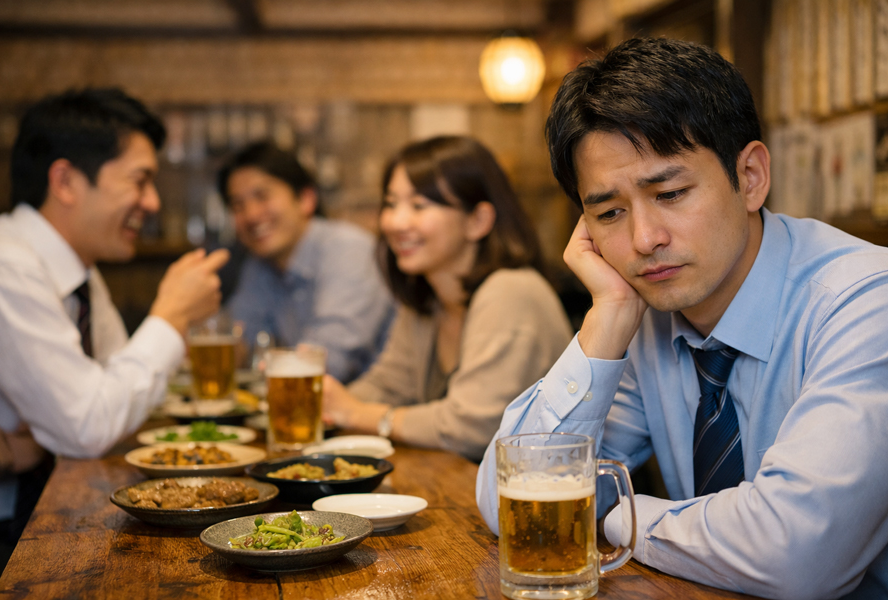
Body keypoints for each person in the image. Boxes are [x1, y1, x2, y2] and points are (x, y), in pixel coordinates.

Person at [476, 37, 888, 599]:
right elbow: (509, 503)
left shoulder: (864, 302)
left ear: (750, 176)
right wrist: (608, 317)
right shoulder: (646, 317)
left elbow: (798, 554)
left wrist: (620, 516)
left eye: (669, 193)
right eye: (609, 212)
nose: (644, 240)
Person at [0, 88, 228, 586]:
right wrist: (171, 314)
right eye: (140, 180)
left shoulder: (78, 271)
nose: (153, 202)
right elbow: (89, 425)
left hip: (51, 504)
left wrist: (48, 433)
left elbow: (116, 401)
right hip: (2, 532)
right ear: (65, 181)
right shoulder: (4, 265)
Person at [322, 136, 572, 462]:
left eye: (419, 206)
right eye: (391, 204)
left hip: (543, 488)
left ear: (478, 221)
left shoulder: (511, 291)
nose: (396, 222)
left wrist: (359, 415)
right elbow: (387, 385)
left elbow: (470, 427)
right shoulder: (430, 297)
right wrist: (328, 405)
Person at [218, 142, 395, 383]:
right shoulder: (259, 266)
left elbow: (328, 360)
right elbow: (241, 342)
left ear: (306, 199)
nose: (251, 215)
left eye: (262, 196)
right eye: (237, 206)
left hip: (373, 403)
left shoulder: (347, 250)